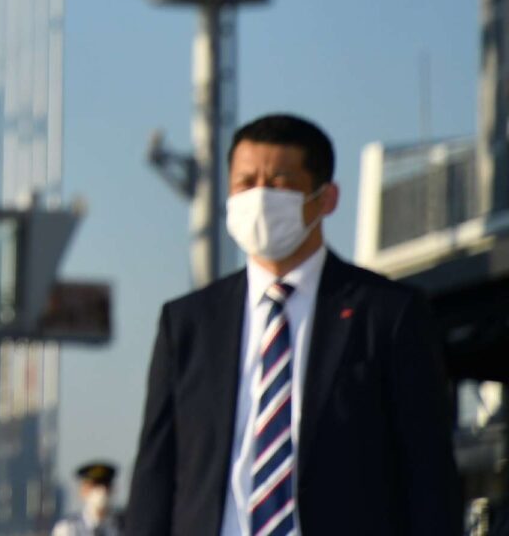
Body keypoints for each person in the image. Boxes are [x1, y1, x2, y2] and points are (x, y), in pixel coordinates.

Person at [125, 113, 461, 535]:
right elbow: (155, 476)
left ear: (326, 198)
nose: (260, 197)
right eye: (246, 183)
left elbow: (428, 471)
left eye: (280, 183)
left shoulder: (388, 314)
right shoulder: (188, 324)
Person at [53, 461, 122, 536]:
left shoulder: (121, 527)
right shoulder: (68, 528)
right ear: (83, 490)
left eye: (106, 485)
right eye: (95, 485)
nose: (102, 490)